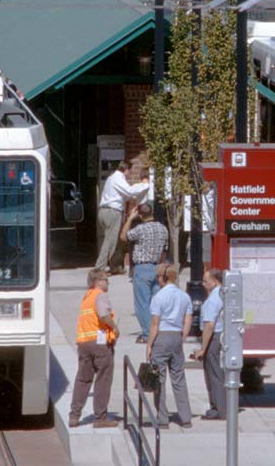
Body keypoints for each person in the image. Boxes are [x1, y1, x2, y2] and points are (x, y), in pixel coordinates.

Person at [69, 269, 120, 428]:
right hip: (99, 344)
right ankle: (100, 417)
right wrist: (114, 327)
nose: (108, 283)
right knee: (103, 379)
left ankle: (74, 415)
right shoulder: (100, 295)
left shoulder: (87, 297)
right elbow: (103, 315)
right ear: (98, 282)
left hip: (84, 343)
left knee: (83, 379)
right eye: (106, 280)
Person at [146, 263, 192, 428]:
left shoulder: (158, 297)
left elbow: (154, 324)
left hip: (162, 336)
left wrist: (149, 344)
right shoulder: (184, 296)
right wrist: (182, 337)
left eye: (159, 276)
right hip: (177, 336)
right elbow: (188, 320)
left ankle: (163, 418)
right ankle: (186, 417)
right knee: (178, 377)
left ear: (163, 278)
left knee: (160, 378)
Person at [120, 203, 168, 343]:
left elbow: (123, 237)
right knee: (155, 304)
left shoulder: (140, 229)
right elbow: (165, 248)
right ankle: (157, 331)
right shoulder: (162, 228)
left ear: (140, 215)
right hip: (157, 267)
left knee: (142, 304)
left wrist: (130, 219)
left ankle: (148, 334)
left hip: (142, 268)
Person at [94, 162, 149, 273]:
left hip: (104, 211)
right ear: (127, 169)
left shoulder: (111, 178)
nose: (130, 174)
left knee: (113, 240)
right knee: (110, 241)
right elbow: (129, 191)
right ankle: (99, 268)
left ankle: (115, 267)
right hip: (112, 212)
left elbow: (127, 195)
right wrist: (146, 185)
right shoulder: (118, 178)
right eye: (130, 171)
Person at [191, 269, 225, 420]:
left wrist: (202, 349)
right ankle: (219, 406)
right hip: (218, 337)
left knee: (213, 374)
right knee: (215, 372)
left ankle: (219, 408)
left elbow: (209, 326)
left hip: (213, 339)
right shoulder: (221, 294)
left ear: (214, 281)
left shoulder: (213, 300)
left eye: (205, 281)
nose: (203, 284)